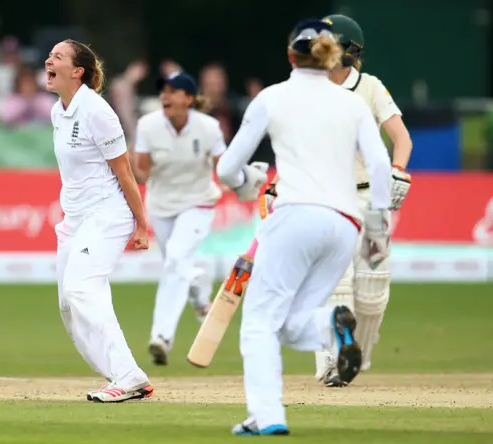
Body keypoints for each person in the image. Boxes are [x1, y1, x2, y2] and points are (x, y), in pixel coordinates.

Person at [216, 18, 392, 435]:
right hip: (345, 223)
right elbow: (381, 164)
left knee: (258, 323)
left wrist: (249, 183)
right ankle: (332, 322)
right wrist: (378, 225)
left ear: (290, 54)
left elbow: (226, 169)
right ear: (331, 55)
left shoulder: (272, 98)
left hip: (295, 214)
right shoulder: (350, 103)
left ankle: (268, 416)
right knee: (291, 323)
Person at [45, 39, 153, 402]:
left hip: (108, 213)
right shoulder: (57, 112)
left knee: (81, 288)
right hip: (74, 219)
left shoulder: (98, 112)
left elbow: (125, 174)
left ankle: (128, 375)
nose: (49, 60)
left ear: (78, 72)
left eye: (57, 56)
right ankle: (119, 375)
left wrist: (141, 224)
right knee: (67, 303)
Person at [310, 14, 413, 387]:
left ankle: (356, 360)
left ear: (349, 51)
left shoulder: (370, 87)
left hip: (372, 200)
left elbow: (402, 138)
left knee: (373, 292)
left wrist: (398, 169)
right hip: (328, 200)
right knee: (335, 283)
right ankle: (334, 360)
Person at [133, 71, 230, 365]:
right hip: (161, 205)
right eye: (163, 90)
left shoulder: (209, 127)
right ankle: (200, 292)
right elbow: (141, 171)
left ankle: (161, 337)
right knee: (177, 265)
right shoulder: (148, 126)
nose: (165, 95)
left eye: (173, 91)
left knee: (176, 259)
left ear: (188, 99)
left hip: (199, 202)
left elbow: (223, 166)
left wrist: (240, 181)